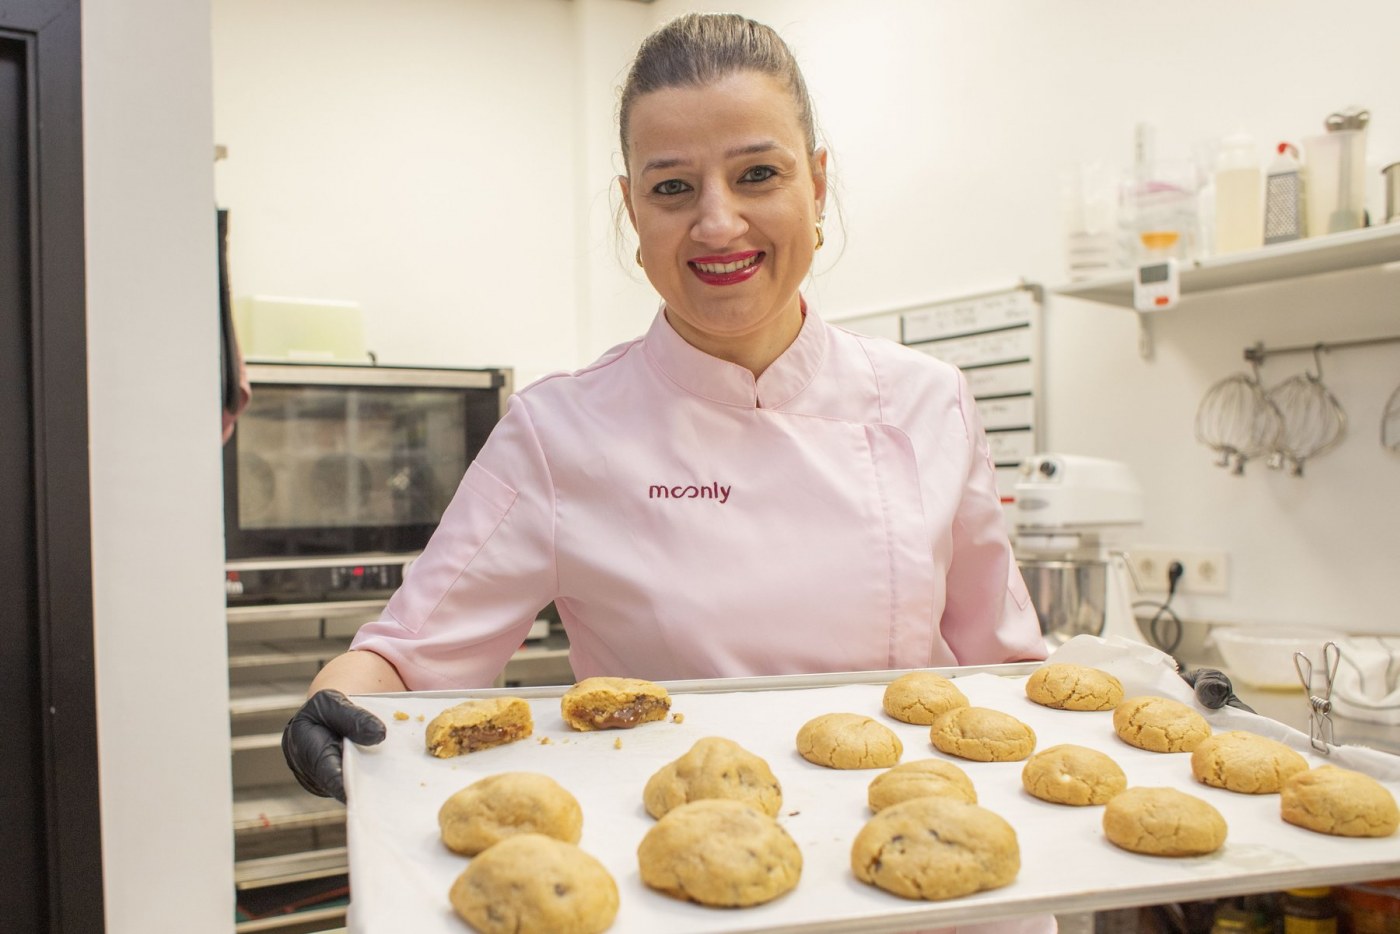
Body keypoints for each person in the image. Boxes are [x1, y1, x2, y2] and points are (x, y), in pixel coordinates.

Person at [284, 13, 1052, 932]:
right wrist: (334, 701)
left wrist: (1167, 713)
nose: (717, 222)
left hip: (925, 888)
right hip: (682, 890)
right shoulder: (560, 432)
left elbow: (1009, 673)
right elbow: (412, 658)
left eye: (757, 174)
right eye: (673, 187)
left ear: (817, 183)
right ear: (632, 209)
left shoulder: (928, 402)